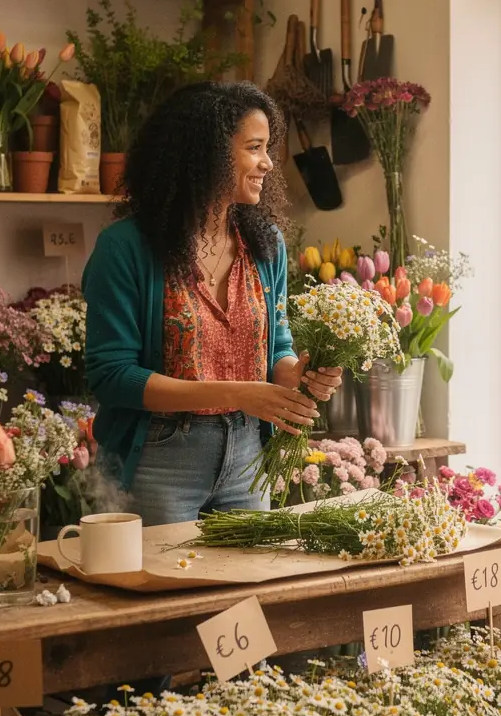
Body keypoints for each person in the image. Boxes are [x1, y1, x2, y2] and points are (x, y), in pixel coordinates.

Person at [83, 81, 342, 526]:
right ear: (206, 153)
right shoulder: (124, 249)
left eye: (268, 148)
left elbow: (277, 343)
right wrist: (237, 392)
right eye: (255, 148)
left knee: (249, 593)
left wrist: (292, 374)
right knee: (166, 595)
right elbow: (111, 376)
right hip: (159, 462)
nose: (268, 163)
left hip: (246, 457)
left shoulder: (266, 246)